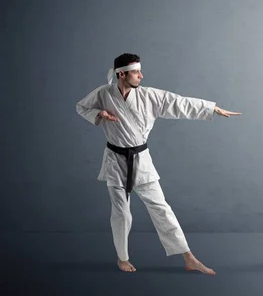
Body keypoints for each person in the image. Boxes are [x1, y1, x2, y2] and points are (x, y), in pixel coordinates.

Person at [76, 53, 241, 273]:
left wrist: (211, 108)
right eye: (136, 72)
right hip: (115, 161)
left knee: (162, 209)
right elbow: (82, 107)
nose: (141, 76)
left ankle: (189, 257)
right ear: (121, 74)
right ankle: (122, 258)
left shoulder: (149, 96)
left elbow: (178, 102)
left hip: (141, 161)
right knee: (121, 213)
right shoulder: (103, 94)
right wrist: (99, 113)